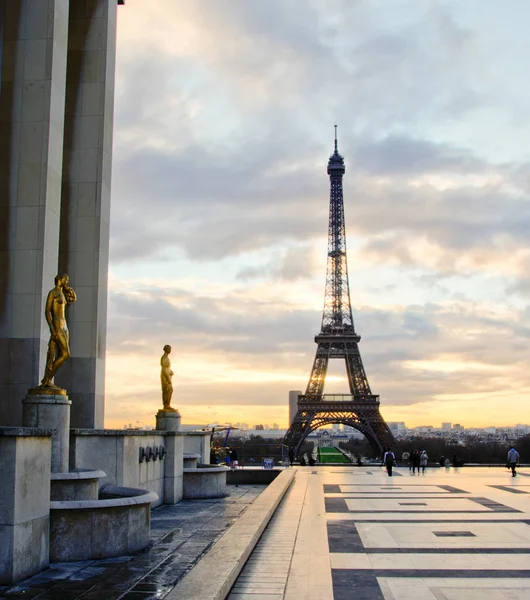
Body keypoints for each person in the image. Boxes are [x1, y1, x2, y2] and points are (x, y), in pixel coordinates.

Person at [40, 273, 77, 388]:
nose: (67, 282)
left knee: (64, 354)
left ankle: (48, 379)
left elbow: (73, 299)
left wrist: (69, 290)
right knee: (66, 354)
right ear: (60, 280)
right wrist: (52, 328)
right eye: (66, 280)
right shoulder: (53, 293)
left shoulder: (62, 293)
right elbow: (47, 311)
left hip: (64, 325)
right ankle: (47, 378)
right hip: (57, 325)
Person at [160, 345, 177, 411]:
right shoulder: (164, 357)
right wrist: (167, 378)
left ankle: (167, 405)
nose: (170, 350)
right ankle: (166, 405)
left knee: (169, 390)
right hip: (165, 376)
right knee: (167, 390)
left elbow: (167, 368)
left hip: (167, 375)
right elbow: (164, 369)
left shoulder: (166, 357)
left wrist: (171, 371)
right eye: (169, 349)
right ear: (166, 349)